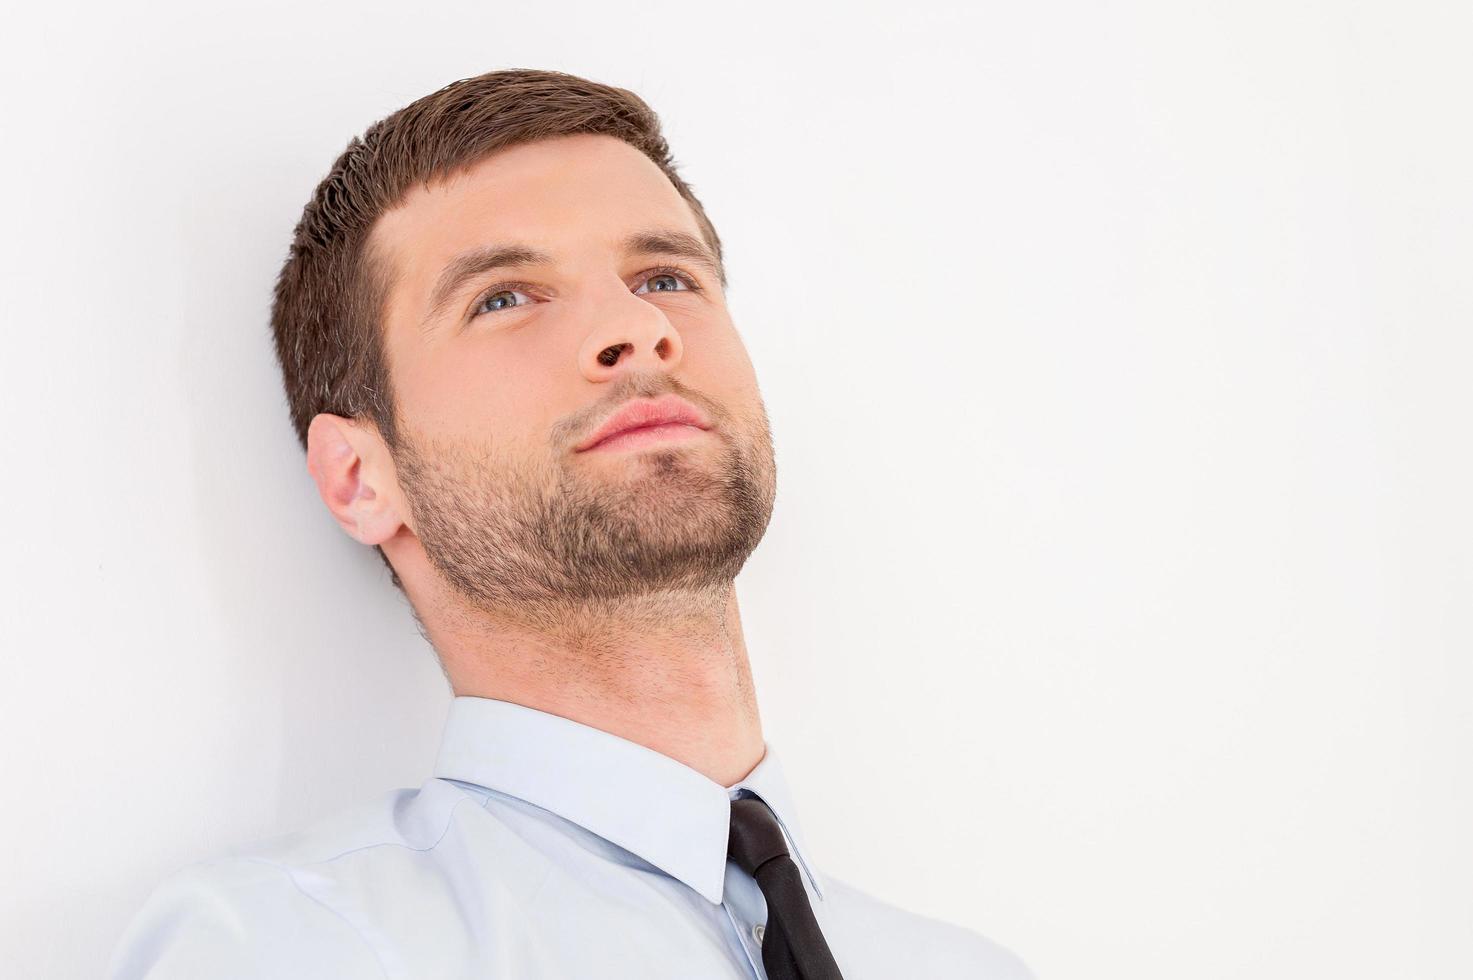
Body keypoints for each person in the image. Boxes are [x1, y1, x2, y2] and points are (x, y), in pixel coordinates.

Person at [107, 68, 1035, 980]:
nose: (635, 328)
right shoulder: (286, 951)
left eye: (665, 276)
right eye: (502, 297)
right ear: (359, 477)